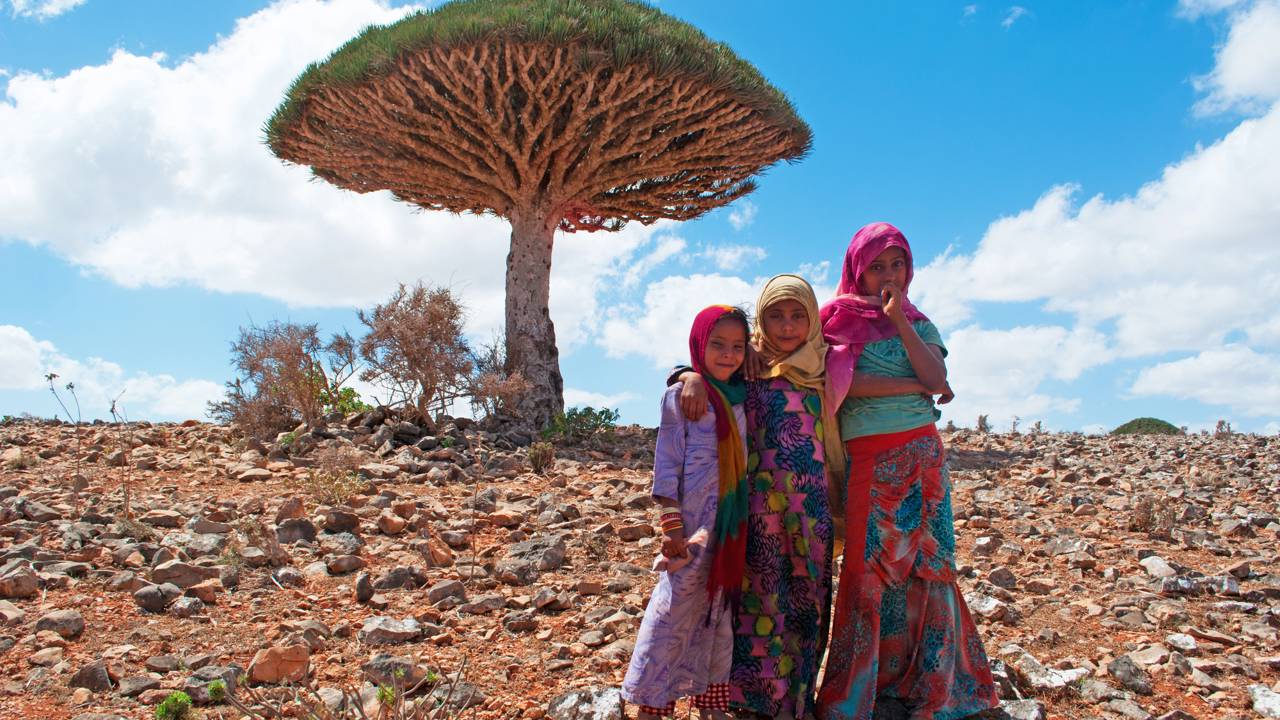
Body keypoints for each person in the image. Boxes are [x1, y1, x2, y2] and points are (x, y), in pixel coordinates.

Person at [817, 222, 997, 720]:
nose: (888, 275)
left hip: (923, 455)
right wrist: (909, 388)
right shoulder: (832, 321)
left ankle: (929, 681)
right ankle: (859, 691)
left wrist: (898, 323)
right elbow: (843, 386)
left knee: (929, 565)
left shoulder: (920, 324)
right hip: (870, 459)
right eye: (877, 266)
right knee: (867, 566)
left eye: (897, 265)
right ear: (858, 269)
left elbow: (937, 378)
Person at [673, 274, 842, 718]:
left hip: (811, 513)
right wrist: (687, 374)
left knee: (807, 602)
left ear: (813, 318)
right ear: (761, 322)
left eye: (797, 315)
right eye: (775, 315)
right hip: (758, 511)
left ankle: (796, 700)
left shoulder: (828, 367)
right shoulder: (750, 365)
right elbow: (708, 365)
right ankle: (752, 702)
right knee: (759, 601)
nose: (787, 326)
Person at [622, 305, 751, 720]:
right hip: (691, 528)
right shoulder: (682, 397)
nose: (728, 354)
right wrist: (671, 525)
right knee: (673, 612)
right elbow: (666, 465)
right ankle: (653, 705)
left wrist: (687, 371)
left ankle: (710, 703)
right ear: (699, 345)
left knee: (718, 612)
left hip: (729, 529)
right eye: (717, 344)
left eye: (737, 346)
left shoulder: (743, 399)